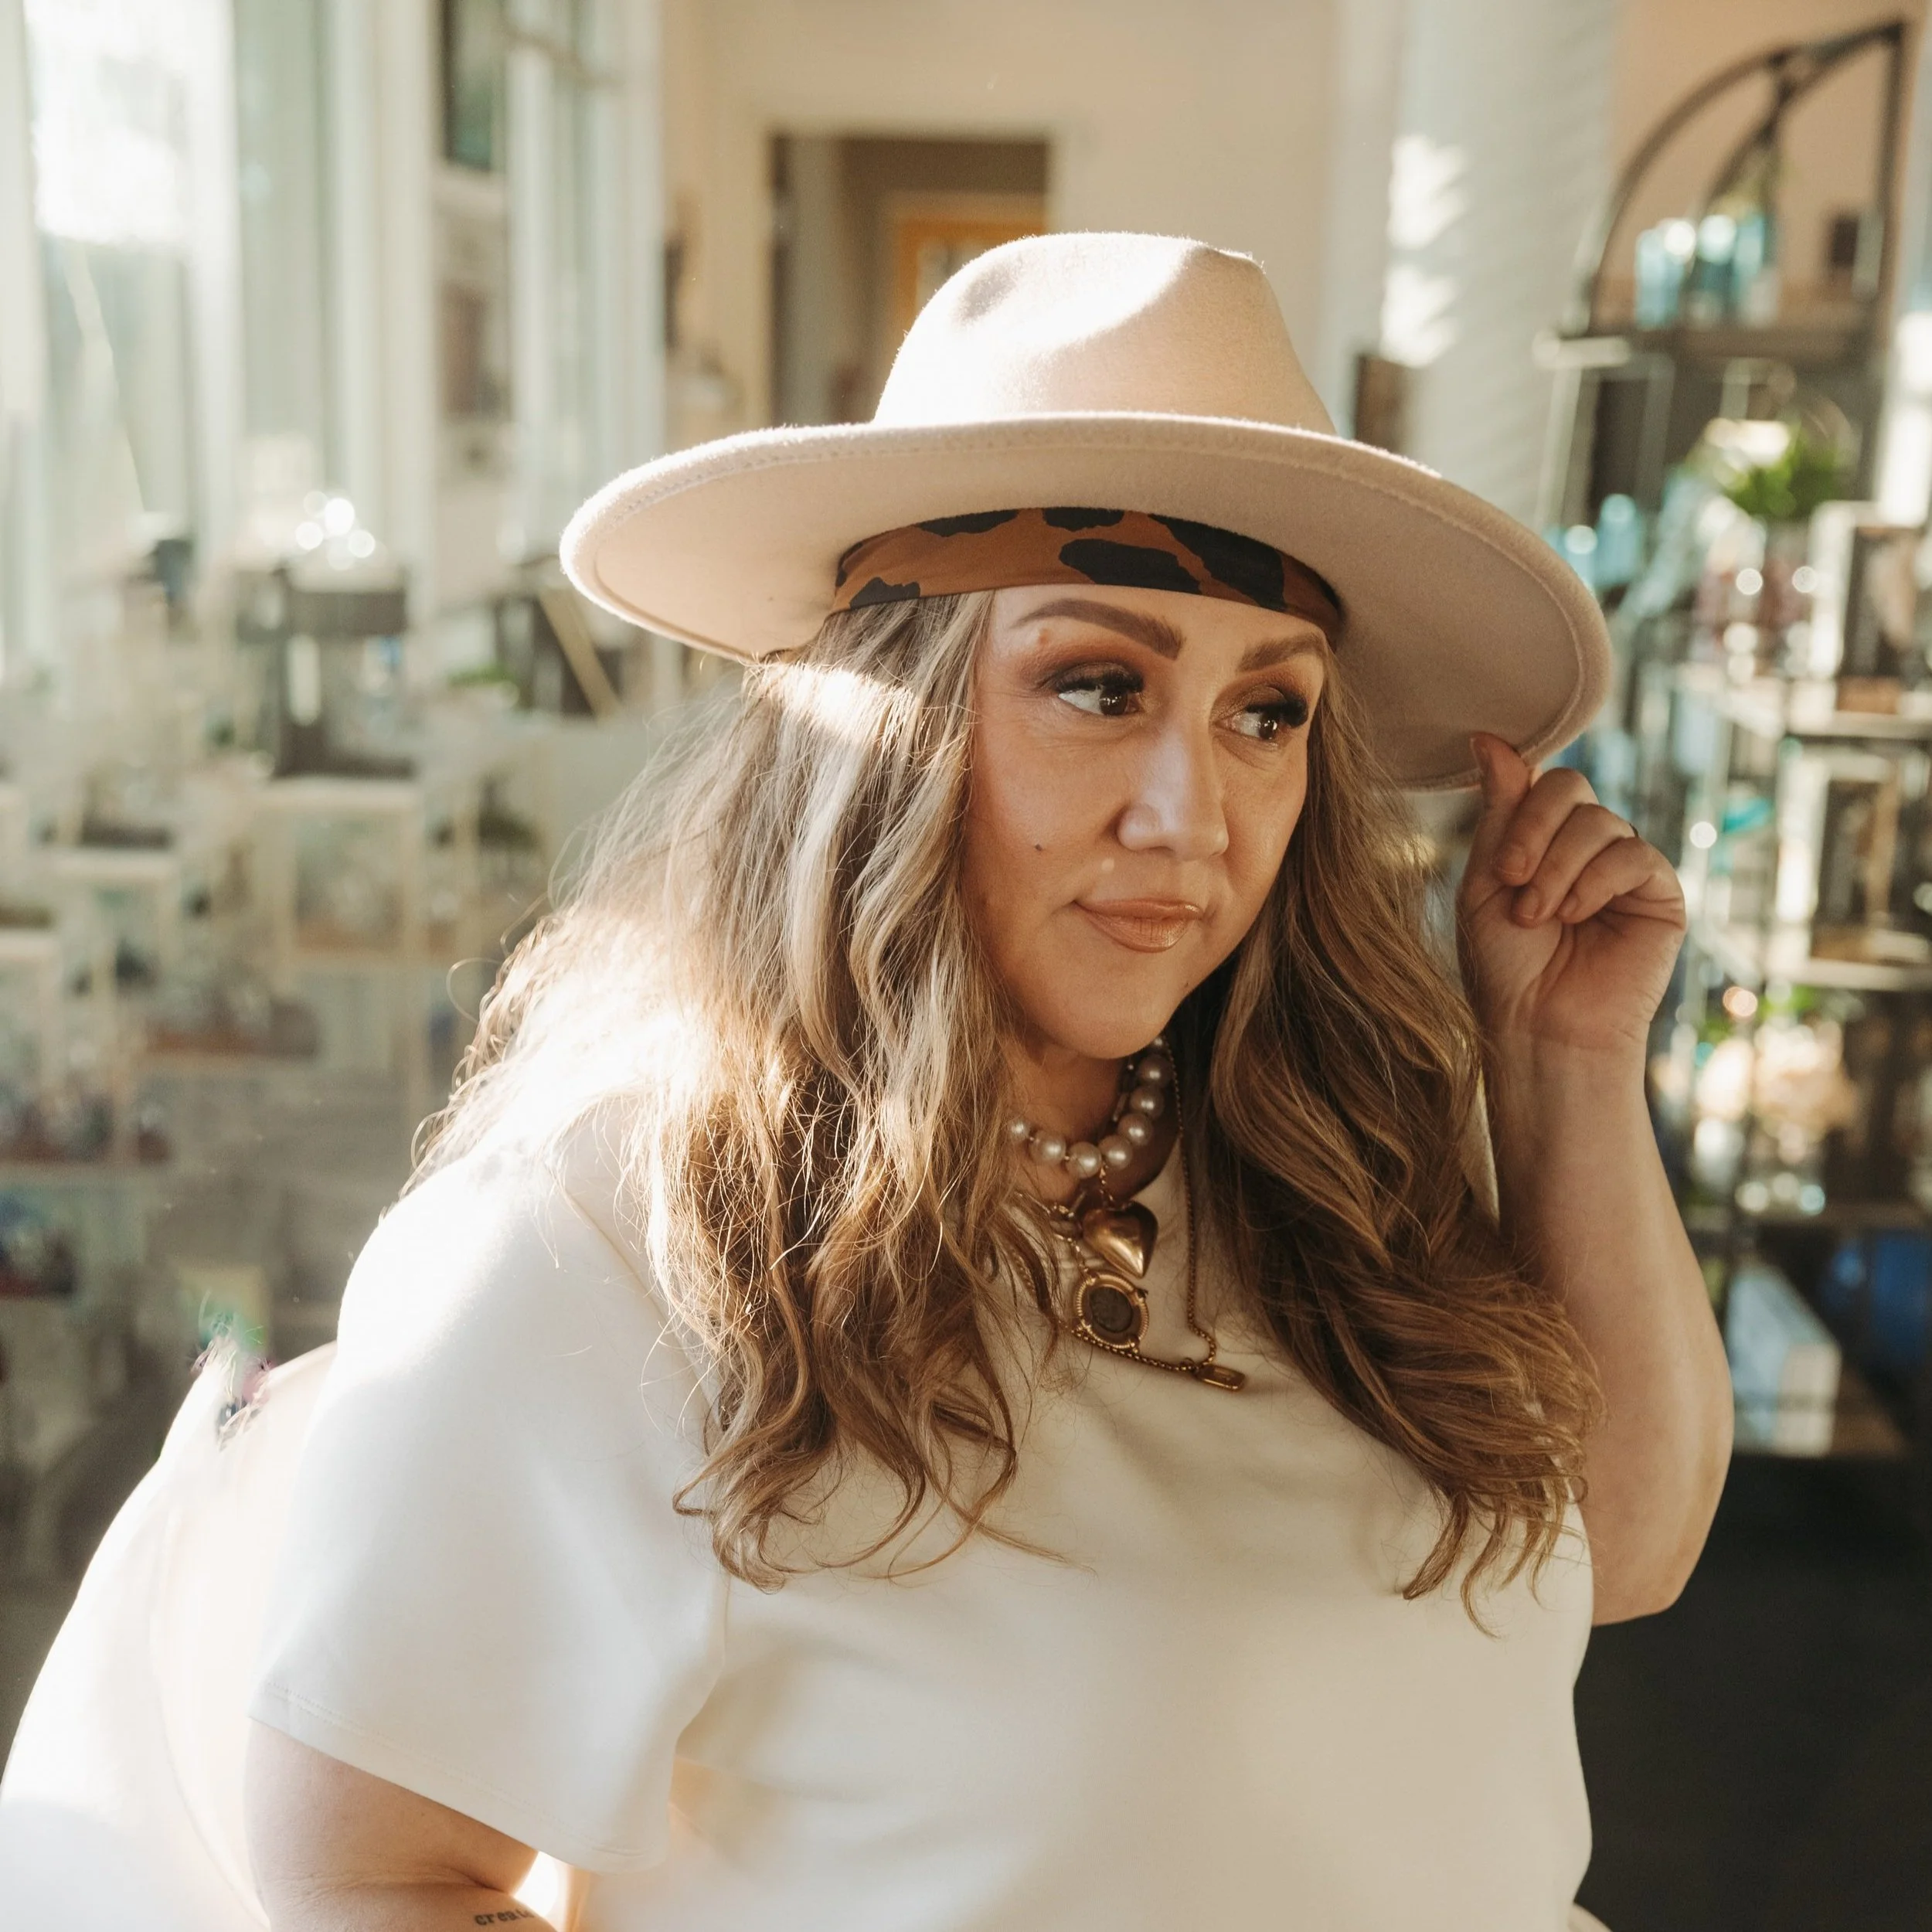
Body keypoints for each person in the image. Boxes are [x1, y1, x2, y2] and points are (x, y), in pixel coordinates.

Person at [2, 234, 1731, 1932]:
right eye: (1096, 683)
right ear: (879, 724)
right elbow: (366, 1872)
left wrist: (1566, 1060)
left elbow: (1619, 1546)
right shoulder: (610, 1240)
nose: (1186, 813)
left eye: (1261, 714)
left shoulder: (1316, 1159)